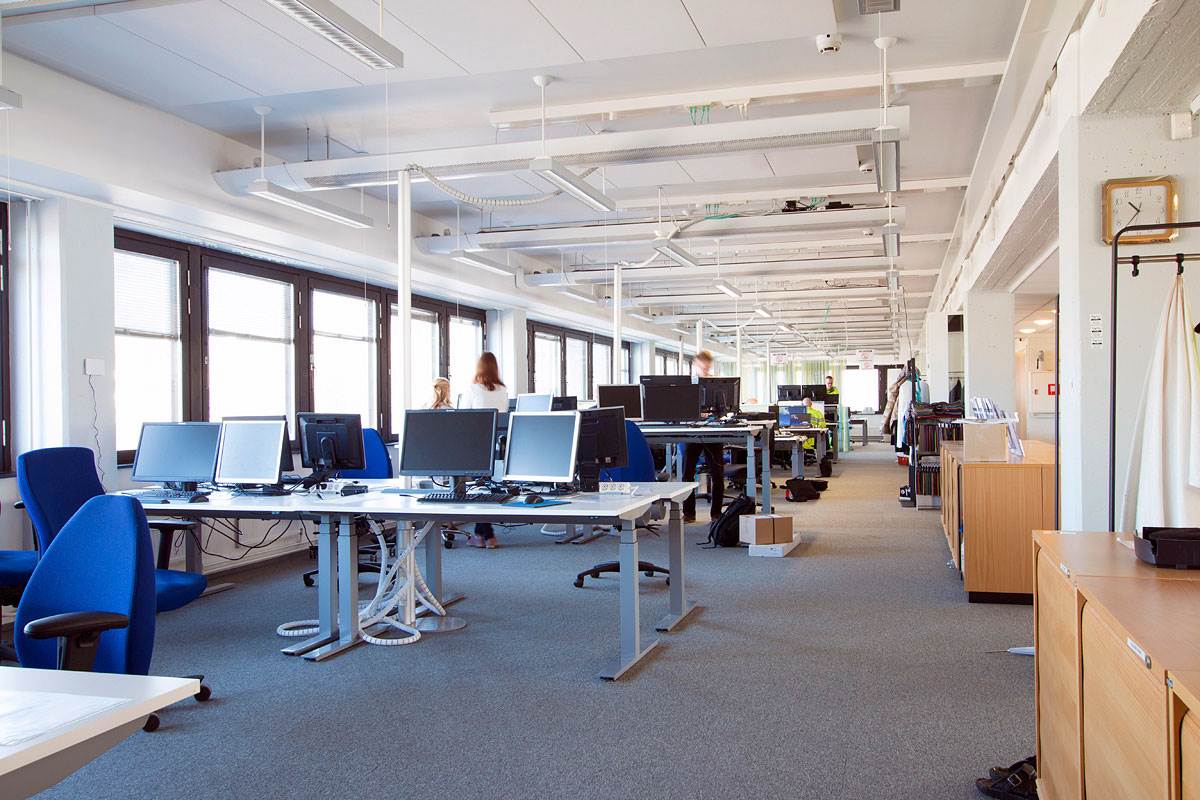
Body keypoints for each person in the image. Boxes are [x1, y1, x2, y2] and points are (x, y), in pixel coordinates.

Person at [460, 352, 508, 548]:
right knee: (485, 488)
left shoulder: (473, 389)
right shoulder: (502, 390)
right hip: (498, 448)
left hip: (476, 445)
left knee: (479, 489)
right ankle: (483, 535)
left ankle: (486, 536)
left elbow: (462, 417)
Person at [680, 350, 726, 523]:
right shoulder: (688, 385)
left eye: (707, 367)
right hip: (693, 431)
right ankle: (689, 513)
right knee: (687, 474)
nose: (704, 370)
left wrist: (714, 413)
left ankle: (716, 514)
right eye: (702, 367)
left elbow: (724, 409)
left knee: (717, 474)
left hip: (713, 431)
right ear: (695, 365)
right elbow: (682, 408)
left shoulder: (718, 385)